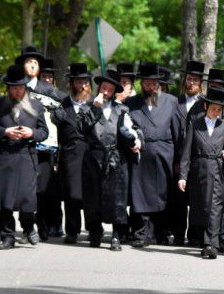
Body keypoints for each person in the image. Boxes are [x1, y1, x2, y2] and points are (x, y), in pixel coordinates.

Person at [0, 64, 49, 249]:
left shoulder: (36, 105)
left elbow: (44, 132)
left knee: (26, 198)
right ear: (8, 88)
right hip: (4, 157)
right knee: (5, 200)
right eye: (13, 88)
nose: (16, 91)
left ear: (25, 87)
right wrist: (5, 132)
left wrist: (32, 133)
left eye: (20, 88)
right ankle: (8, 236)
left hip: (26, 156)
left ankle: (29, 226)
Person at [78, 70, 140, 249]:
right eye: (103, 88)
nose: (105, 92)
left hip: (115, 157)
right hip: (94, 157)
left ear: (114, 92)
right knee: (93, 197)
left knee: (117, 198)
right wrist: (95, 108)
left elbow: (135, 130)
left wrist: (138, 141)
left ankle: (117, 235)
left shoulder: (122, 110)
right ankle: (95, 232)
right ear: (99, 88)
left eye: (110, 90)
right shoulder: (87, 107)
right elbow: (81, 128)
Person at [125, 62, 182, 248]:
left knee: (162, 194)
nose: (151, 88)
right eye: (147, 84)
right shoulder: (131, 103)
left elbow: (178, 133)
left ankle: (161, 232)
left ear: (159, 84)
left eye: (154, 84)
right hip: (141, 154)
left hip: (164, 154)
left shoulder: (171, 101)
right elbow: (126, 129)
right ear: (141, 84)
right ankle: (141, 233)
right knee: (140, 194)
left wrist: (179, 160)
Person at [179, 87, 224, 259]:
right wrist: (183, 176)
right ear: (206, 106)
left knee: (215, 207)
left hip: (217, 170)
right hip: (199, 171)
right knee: (201, 207)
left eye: (219, 110)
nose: (216, 112)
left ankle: (211, 244)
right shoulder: (195, 124)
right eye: (213, 109)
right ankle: (203, 239)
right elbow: (186, 153)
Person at [18, 45, 66, 242]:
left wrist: (57, 114)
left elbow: (66, 108)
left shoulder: (49, 90)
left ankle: (44, 224)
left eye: (35, 63)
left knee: (43, 189)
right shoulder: (16, 87)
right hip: (21, 146)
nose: (31, 65)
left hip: (45, 147)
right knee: (24, 189)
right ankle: (27, 227)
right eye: (28, 62)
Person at [52, 63, 95, 244]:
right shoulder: (63, 104)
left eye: (85, 81)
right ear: (72, 83)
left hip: (91, 153)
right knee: (72, 194)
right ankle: (72, 230)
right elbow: (56, 128)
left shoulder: (94, 103)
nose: (82, 85)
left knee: (91, 193)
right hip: (70, 154)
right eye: (78, 81)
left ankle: (93, 229)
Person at [169, 60, 206, 246]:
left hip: (198, 158)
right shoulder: (175, 103)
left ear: (200, 82)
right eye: (189, 79)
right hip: (178, 157)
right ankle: (178, 234)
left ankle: (194, 235)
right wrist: (176, 159)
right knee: (179, 200)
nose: (191, 83)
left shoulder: (206, 104)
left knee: (197, 200)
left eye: (195, 80)